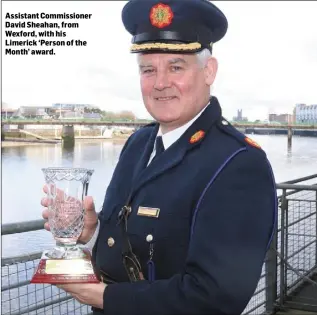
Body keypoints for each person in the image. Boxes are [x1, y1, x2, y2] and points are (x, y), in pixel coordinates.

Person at [41, 0, 277, 314]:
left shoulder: (238, 163)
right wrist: (91, 232)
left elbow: (214, 297)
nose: (161, 83)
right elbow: (130, 248)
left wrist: (102, 297)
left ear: (209, 71)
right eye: (148, 70)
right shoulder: (139, 143)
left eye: (176, 67)